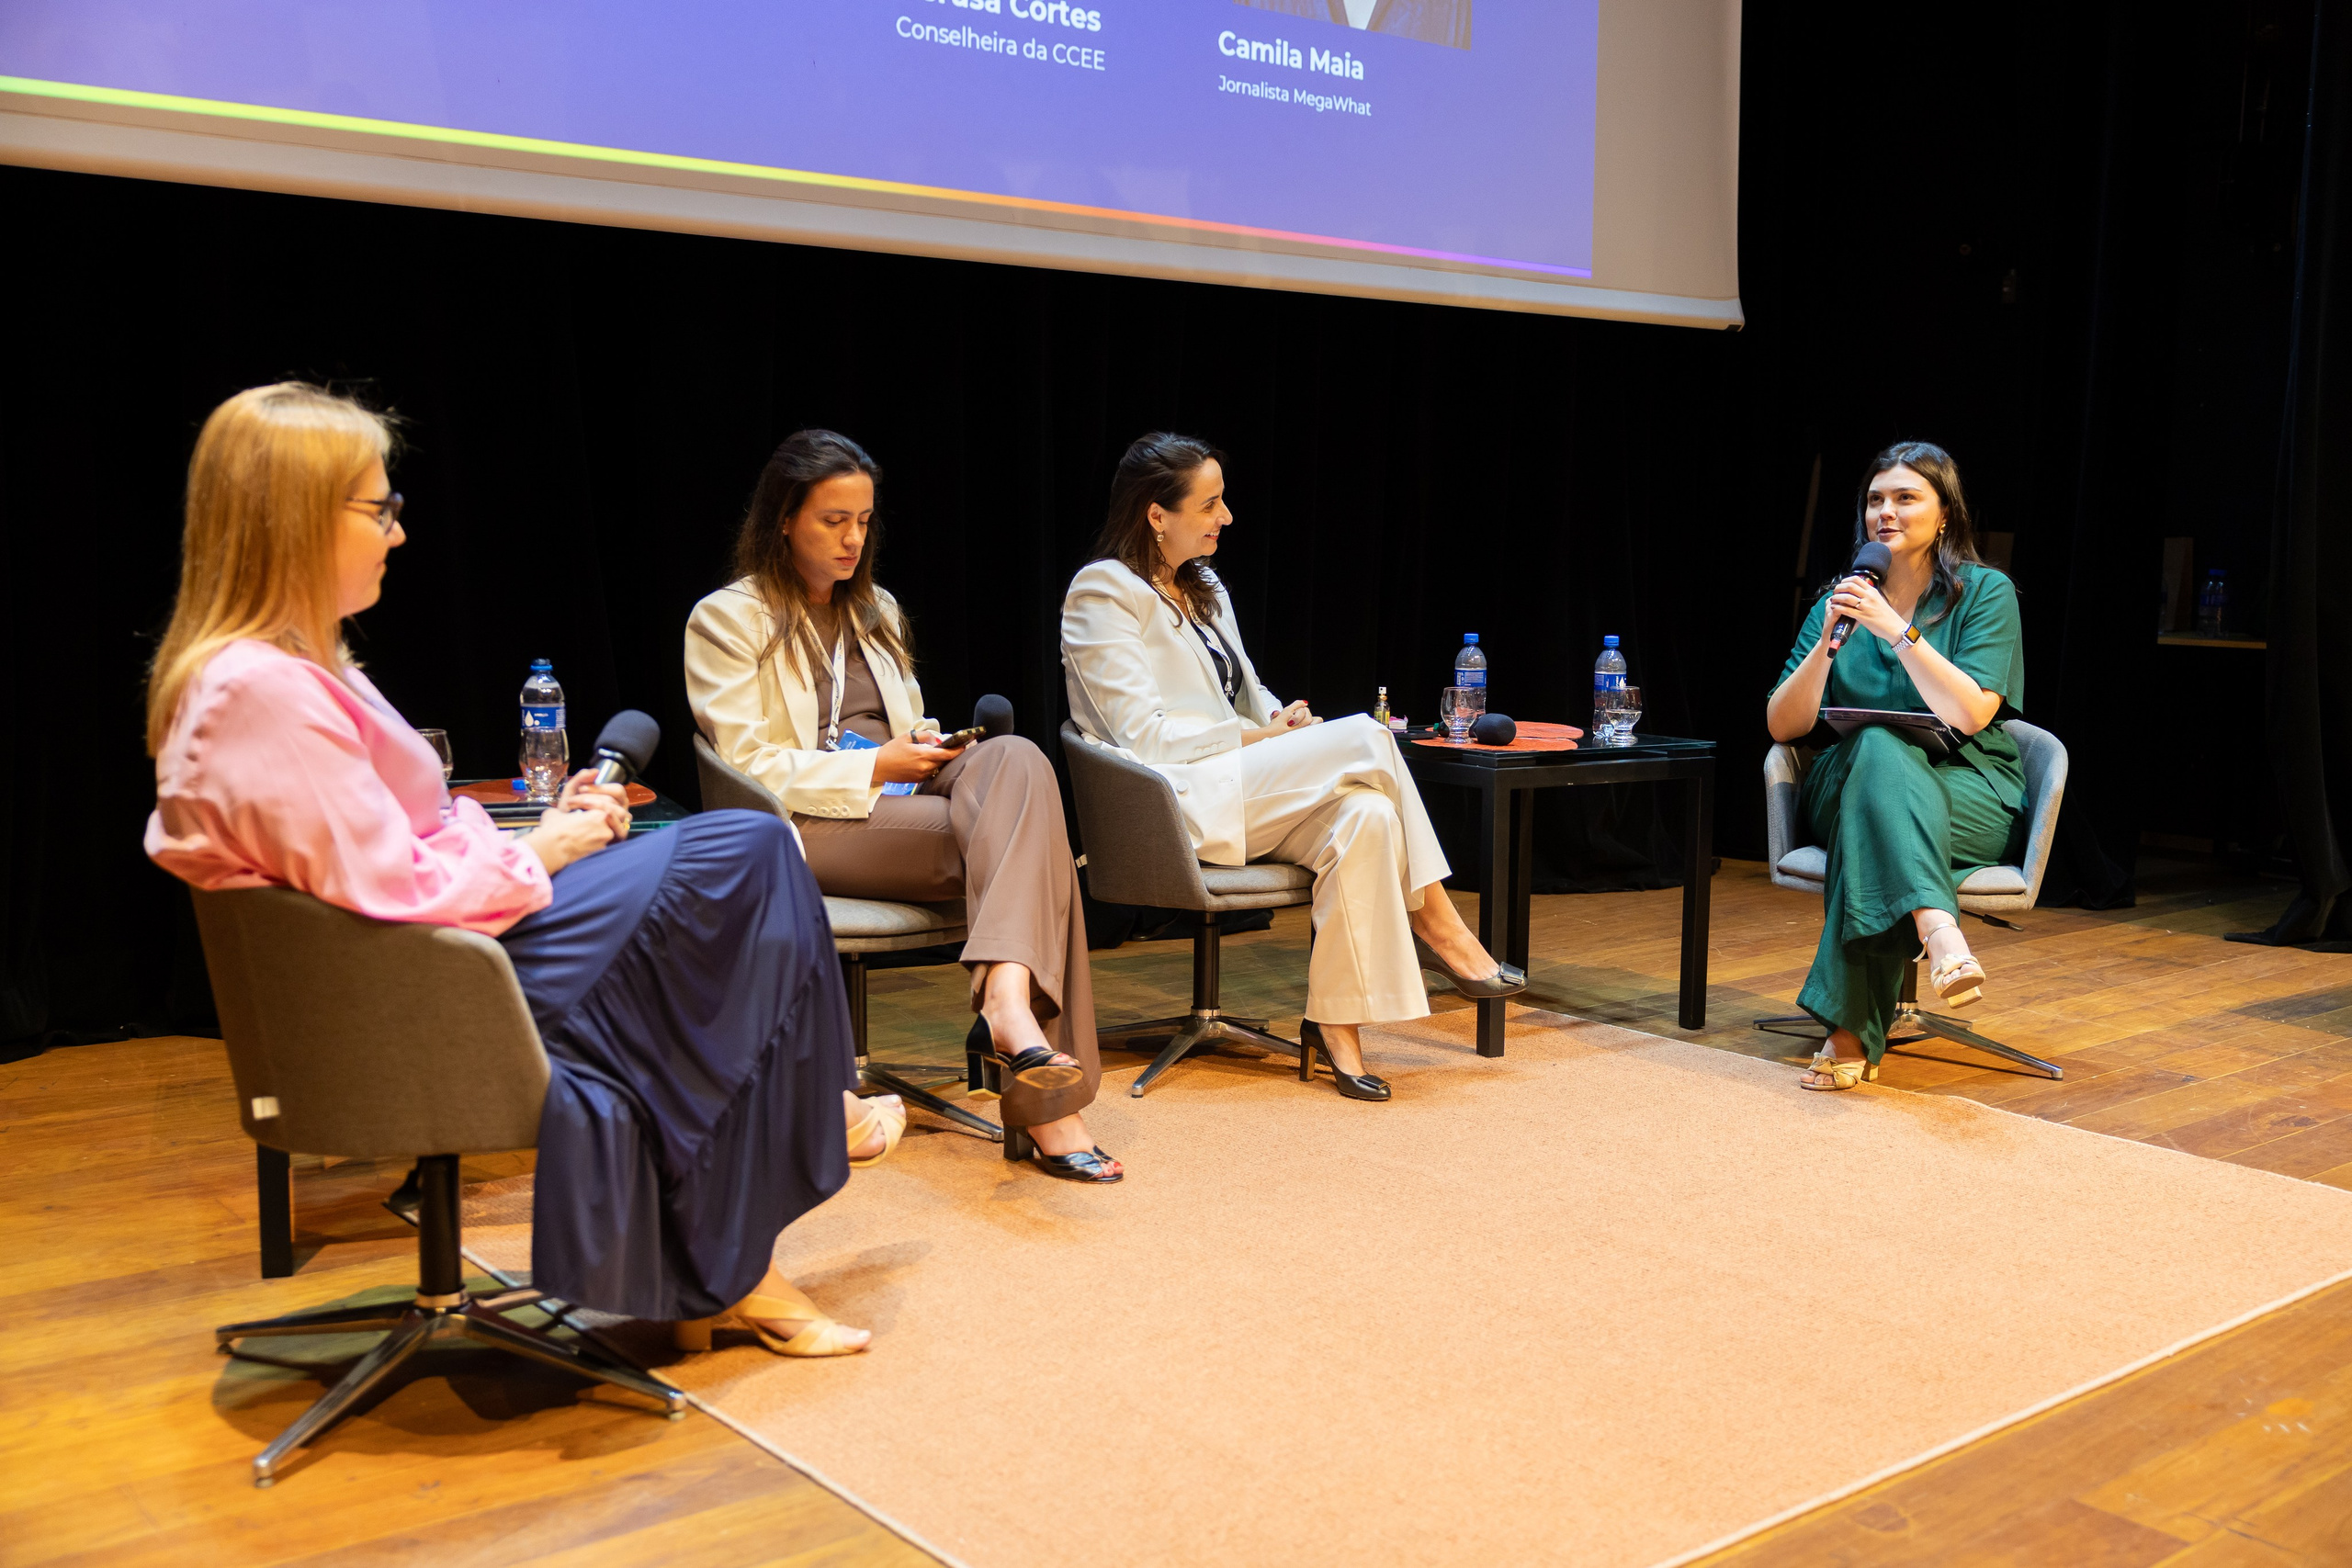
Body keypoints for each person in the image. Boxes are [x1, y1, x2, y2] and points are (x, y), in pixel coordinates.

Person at [146, 383, 890, 1357]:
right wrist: (543, 851)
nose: (397, 535)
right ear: (292, 517)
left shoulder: (281, 670)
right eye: (379, 510)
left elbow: (386, 854)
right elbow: (397, 900)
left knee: (740, 853)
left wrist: (539, 833)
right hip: (428, 993)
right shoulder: (259, 691)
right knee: (740, 860)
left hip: (438, 954)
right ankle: (798, 1136)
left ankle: (760, 1202)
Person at [684, 431, 1120, 1182]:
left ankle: (1008, 1005)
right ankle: (1049, 1103)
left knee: (1018, 758)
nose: (854, 538)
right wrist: (876, 765)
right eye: (833, 520)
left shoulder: (876, 608)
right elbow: (746, 762)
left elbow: (902, 719)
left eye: (864, 520)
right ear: (784, 518)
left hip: (900, 802)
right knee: (1031, 847)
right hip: (810, 825)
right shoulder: (727, 618)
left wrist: (920, 744)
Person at [1059, 433, 1525, 1101]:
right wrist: (1257, 739)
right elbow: (1146, 738)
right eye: (1210, 503)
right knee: (1368, 737)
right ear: (1155, 514)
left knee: (1366, 814)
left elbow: (1249, 695)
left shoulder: (1205, 587)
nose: (1227, 516)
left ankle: (1336, 1025)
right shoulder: (1102, 591)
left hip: (1238, 786)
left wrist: (1287, 723)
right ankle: (1439, 923)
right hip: (1169, 800)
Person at [1765, 441, 2027, 1090]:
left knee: (1874, 828)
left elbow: (1970, 713)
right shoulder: (1842, 596)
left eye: (1906, 497)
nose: (1886, 510)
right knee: (1878, 754)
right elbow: (1782, 725)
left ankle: (1848, 1032)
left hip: (1965, 788)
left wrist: (1897, 632)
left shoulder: (1985, 592)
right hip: (1845, 778)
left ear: (1944, 515)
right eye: (1876, 499)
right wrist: (1829, 641)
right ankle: (1939, 931)